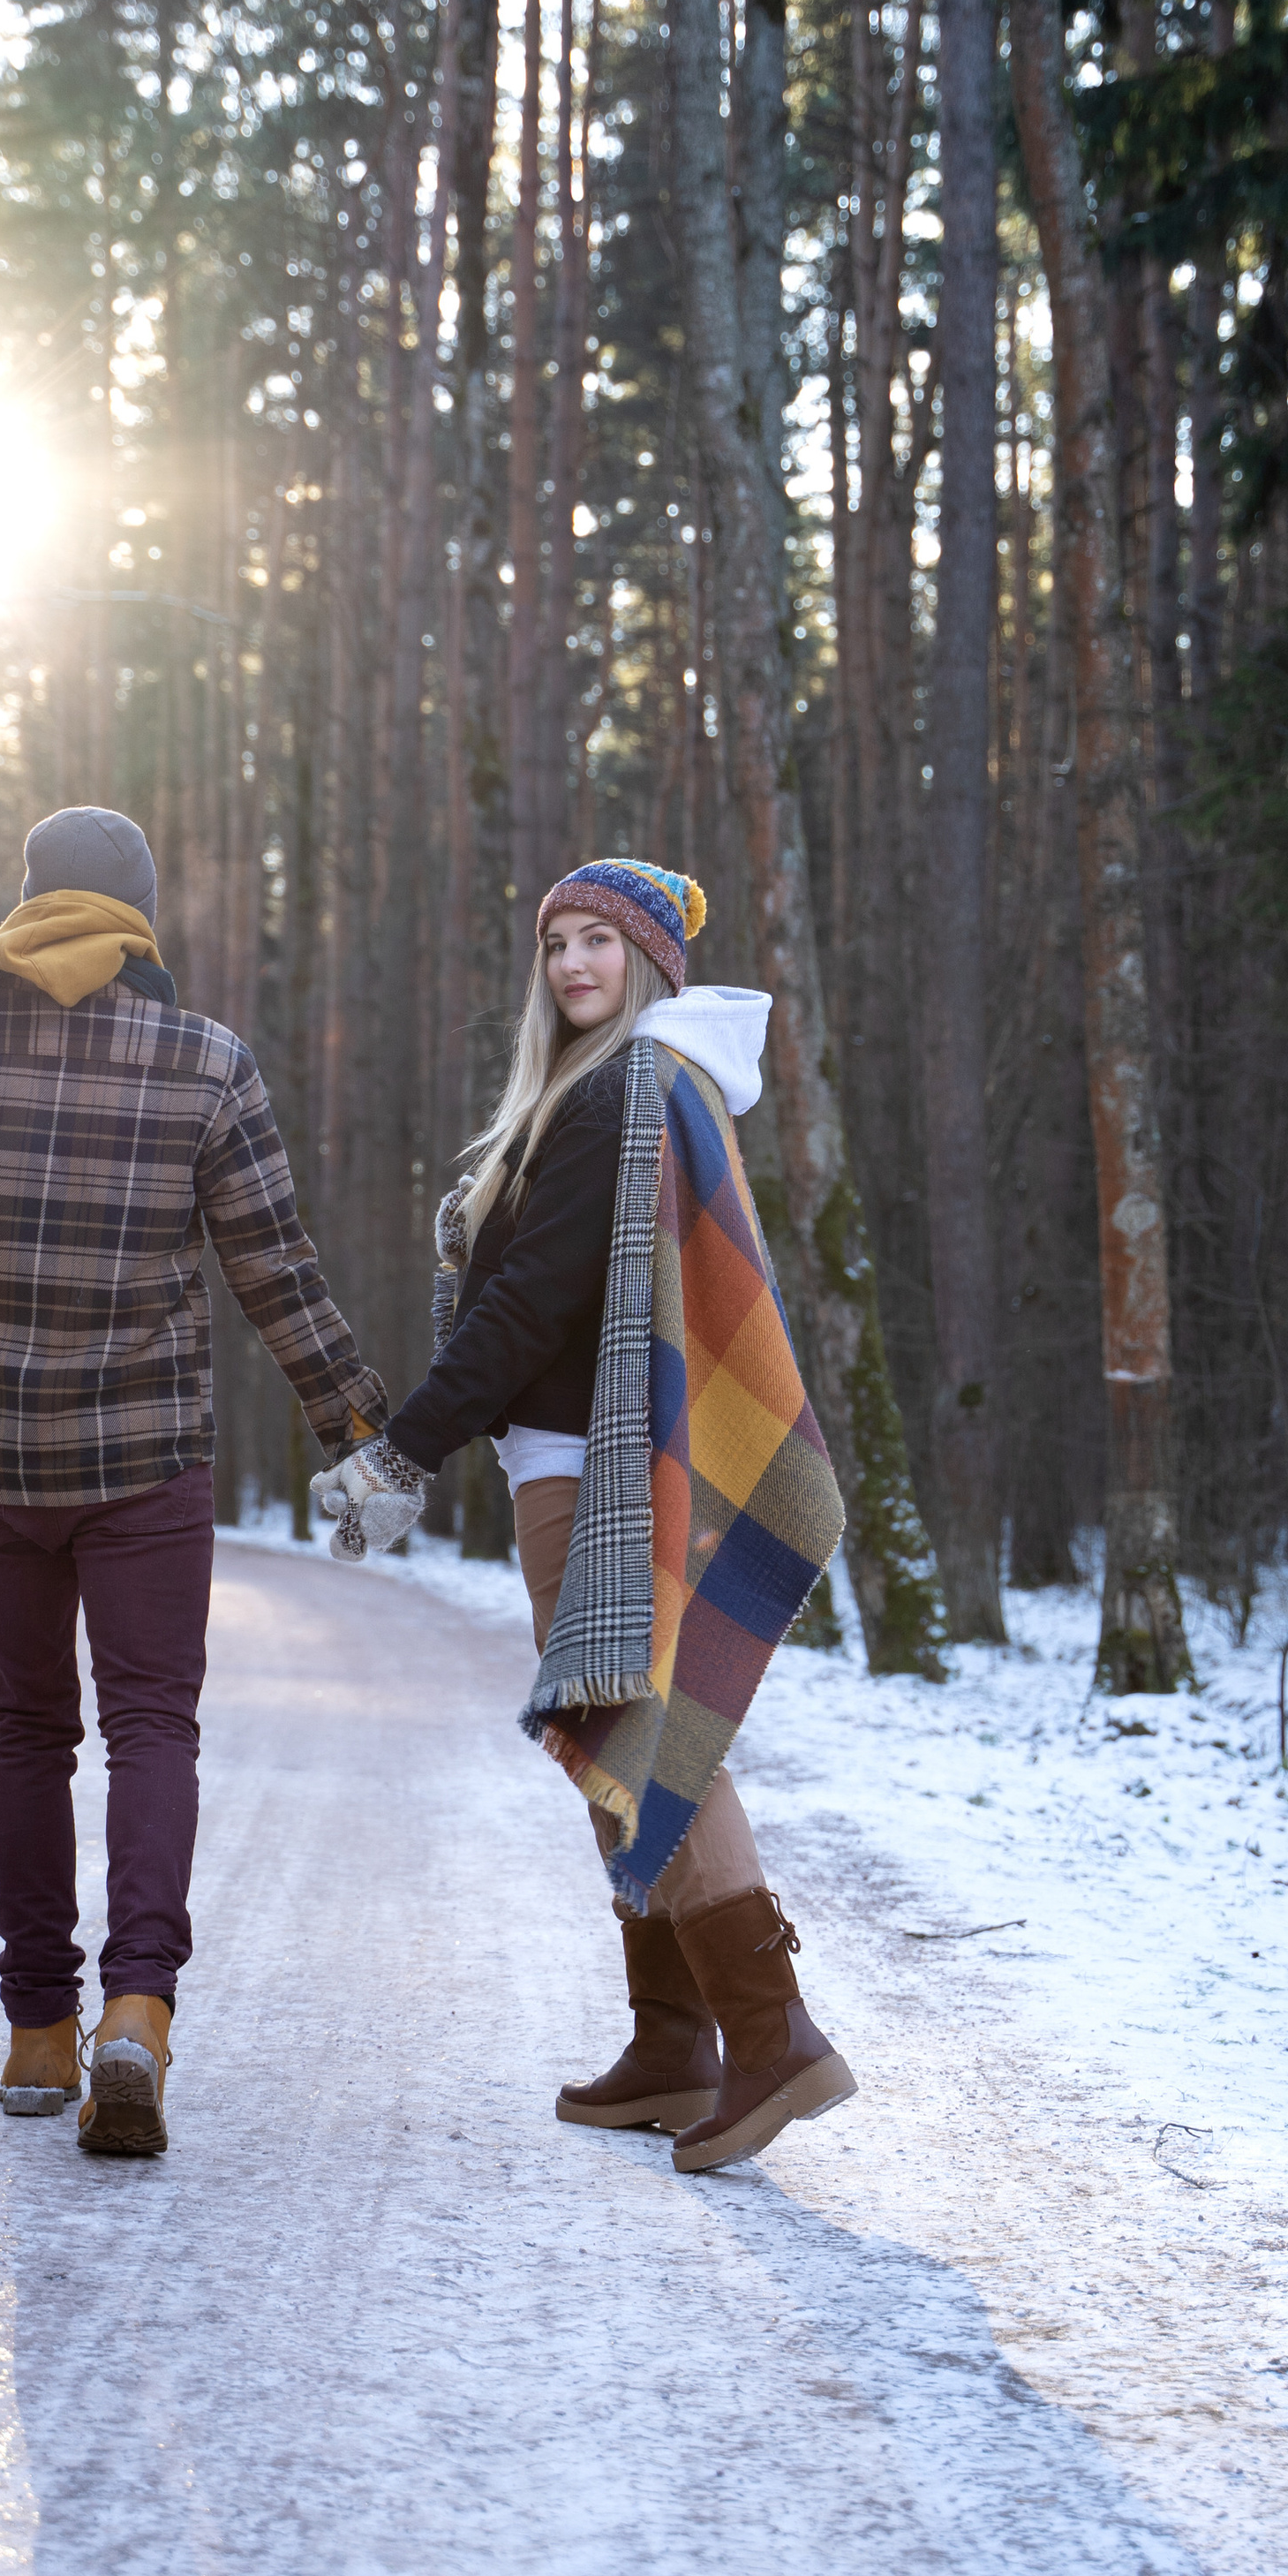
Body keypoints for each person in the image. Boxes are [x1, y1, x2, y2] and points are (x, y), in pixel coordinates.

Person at [312, 857, 857, 2175]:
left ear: (651, 961)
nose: (571, 964)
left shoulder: (627, 1087)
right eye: (556, 940)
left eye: (599, 942)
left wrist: (403, 1452)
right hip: (567, 1461)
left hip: (590, 1467)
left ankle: (771, 2032)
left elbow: (534, 1301)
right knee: (615, 1732)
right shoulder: (609, 1087)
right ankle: (674, 2043)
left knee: (640, 1732)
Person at [0, 805, 385, 2158]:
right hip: (146, 1459)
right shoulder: (205, 1061)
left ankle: (37, 2034)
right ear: (141, 914)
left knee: (28, 1733)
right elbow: (277, 1268)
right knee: (155, 1727)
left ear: (27, 896)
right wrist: (355, 1429)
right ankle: (135, 2016)